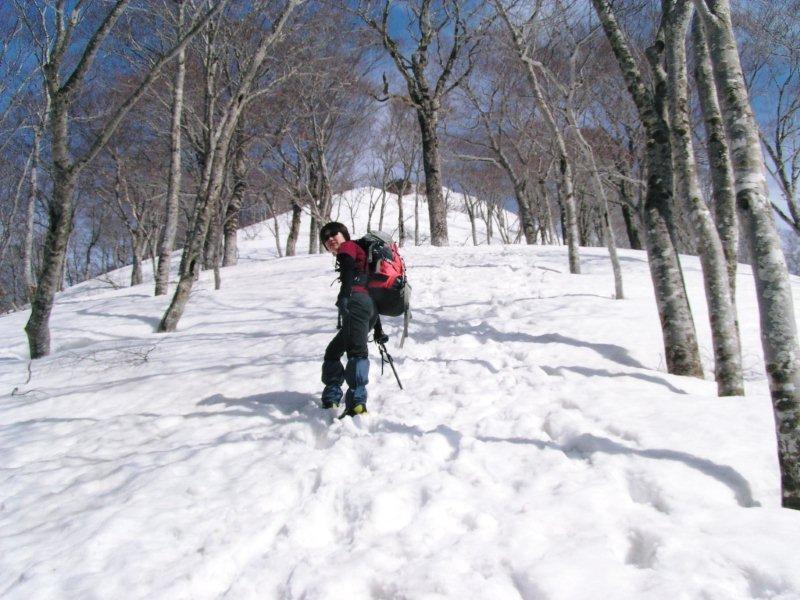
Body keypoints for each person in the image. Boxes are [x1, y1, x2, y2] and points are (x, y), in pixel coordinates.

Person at [319, 222, 388, 417]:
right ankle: (331, 398)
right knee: (333, 352)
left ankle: (357, 405)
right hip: (368, 308)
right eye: (325, 238)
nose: (330, 239)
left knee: (357, 352)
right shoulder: (359, 251)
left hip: (356, 304)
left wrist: (344, 296)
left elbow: (348, 269)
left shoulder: (347, 247)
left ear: (344, 234)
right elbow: (371, 291)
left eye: (334, 233)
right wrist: (377, 329)